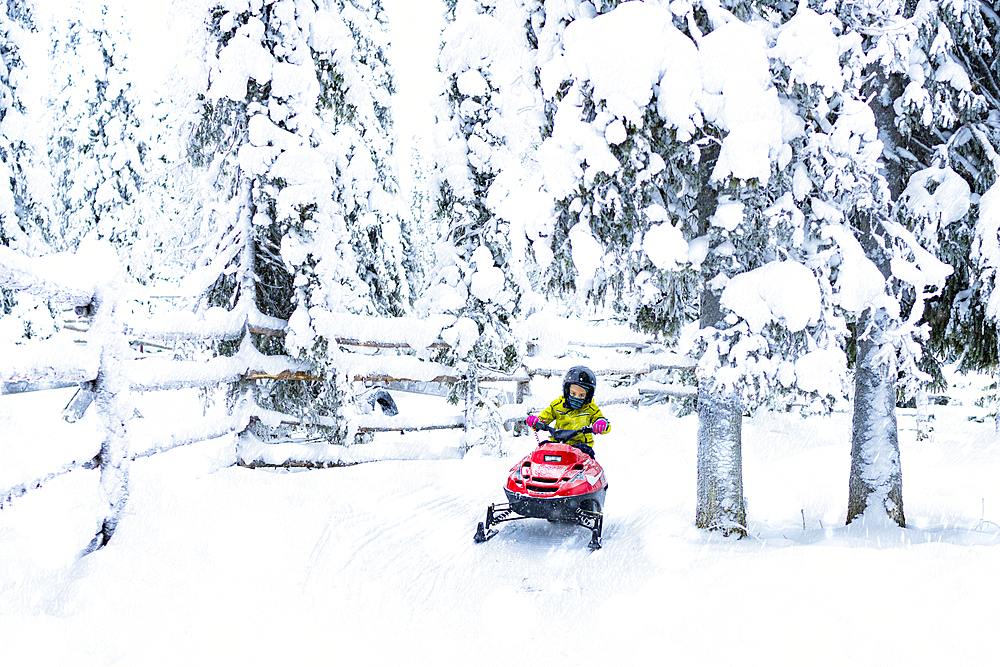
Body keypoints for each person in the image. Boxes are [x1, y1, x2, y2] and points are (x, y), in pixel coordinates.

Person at [526, 365, 609, 458]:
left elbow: (600, 419)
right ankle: (537, 470)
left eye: (581, 395)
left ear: (588, 395)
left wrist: (601, 424)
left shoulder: (591, 409)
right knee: (543, 448)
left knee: (586, 452)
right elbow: (545, 416)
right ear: (567, 391)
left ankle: (589, 471)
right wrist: (536, 421)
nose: (576, 397)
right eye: (573, 393)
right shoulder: (557, 406)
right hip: (557, 445)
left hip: (580, 447)